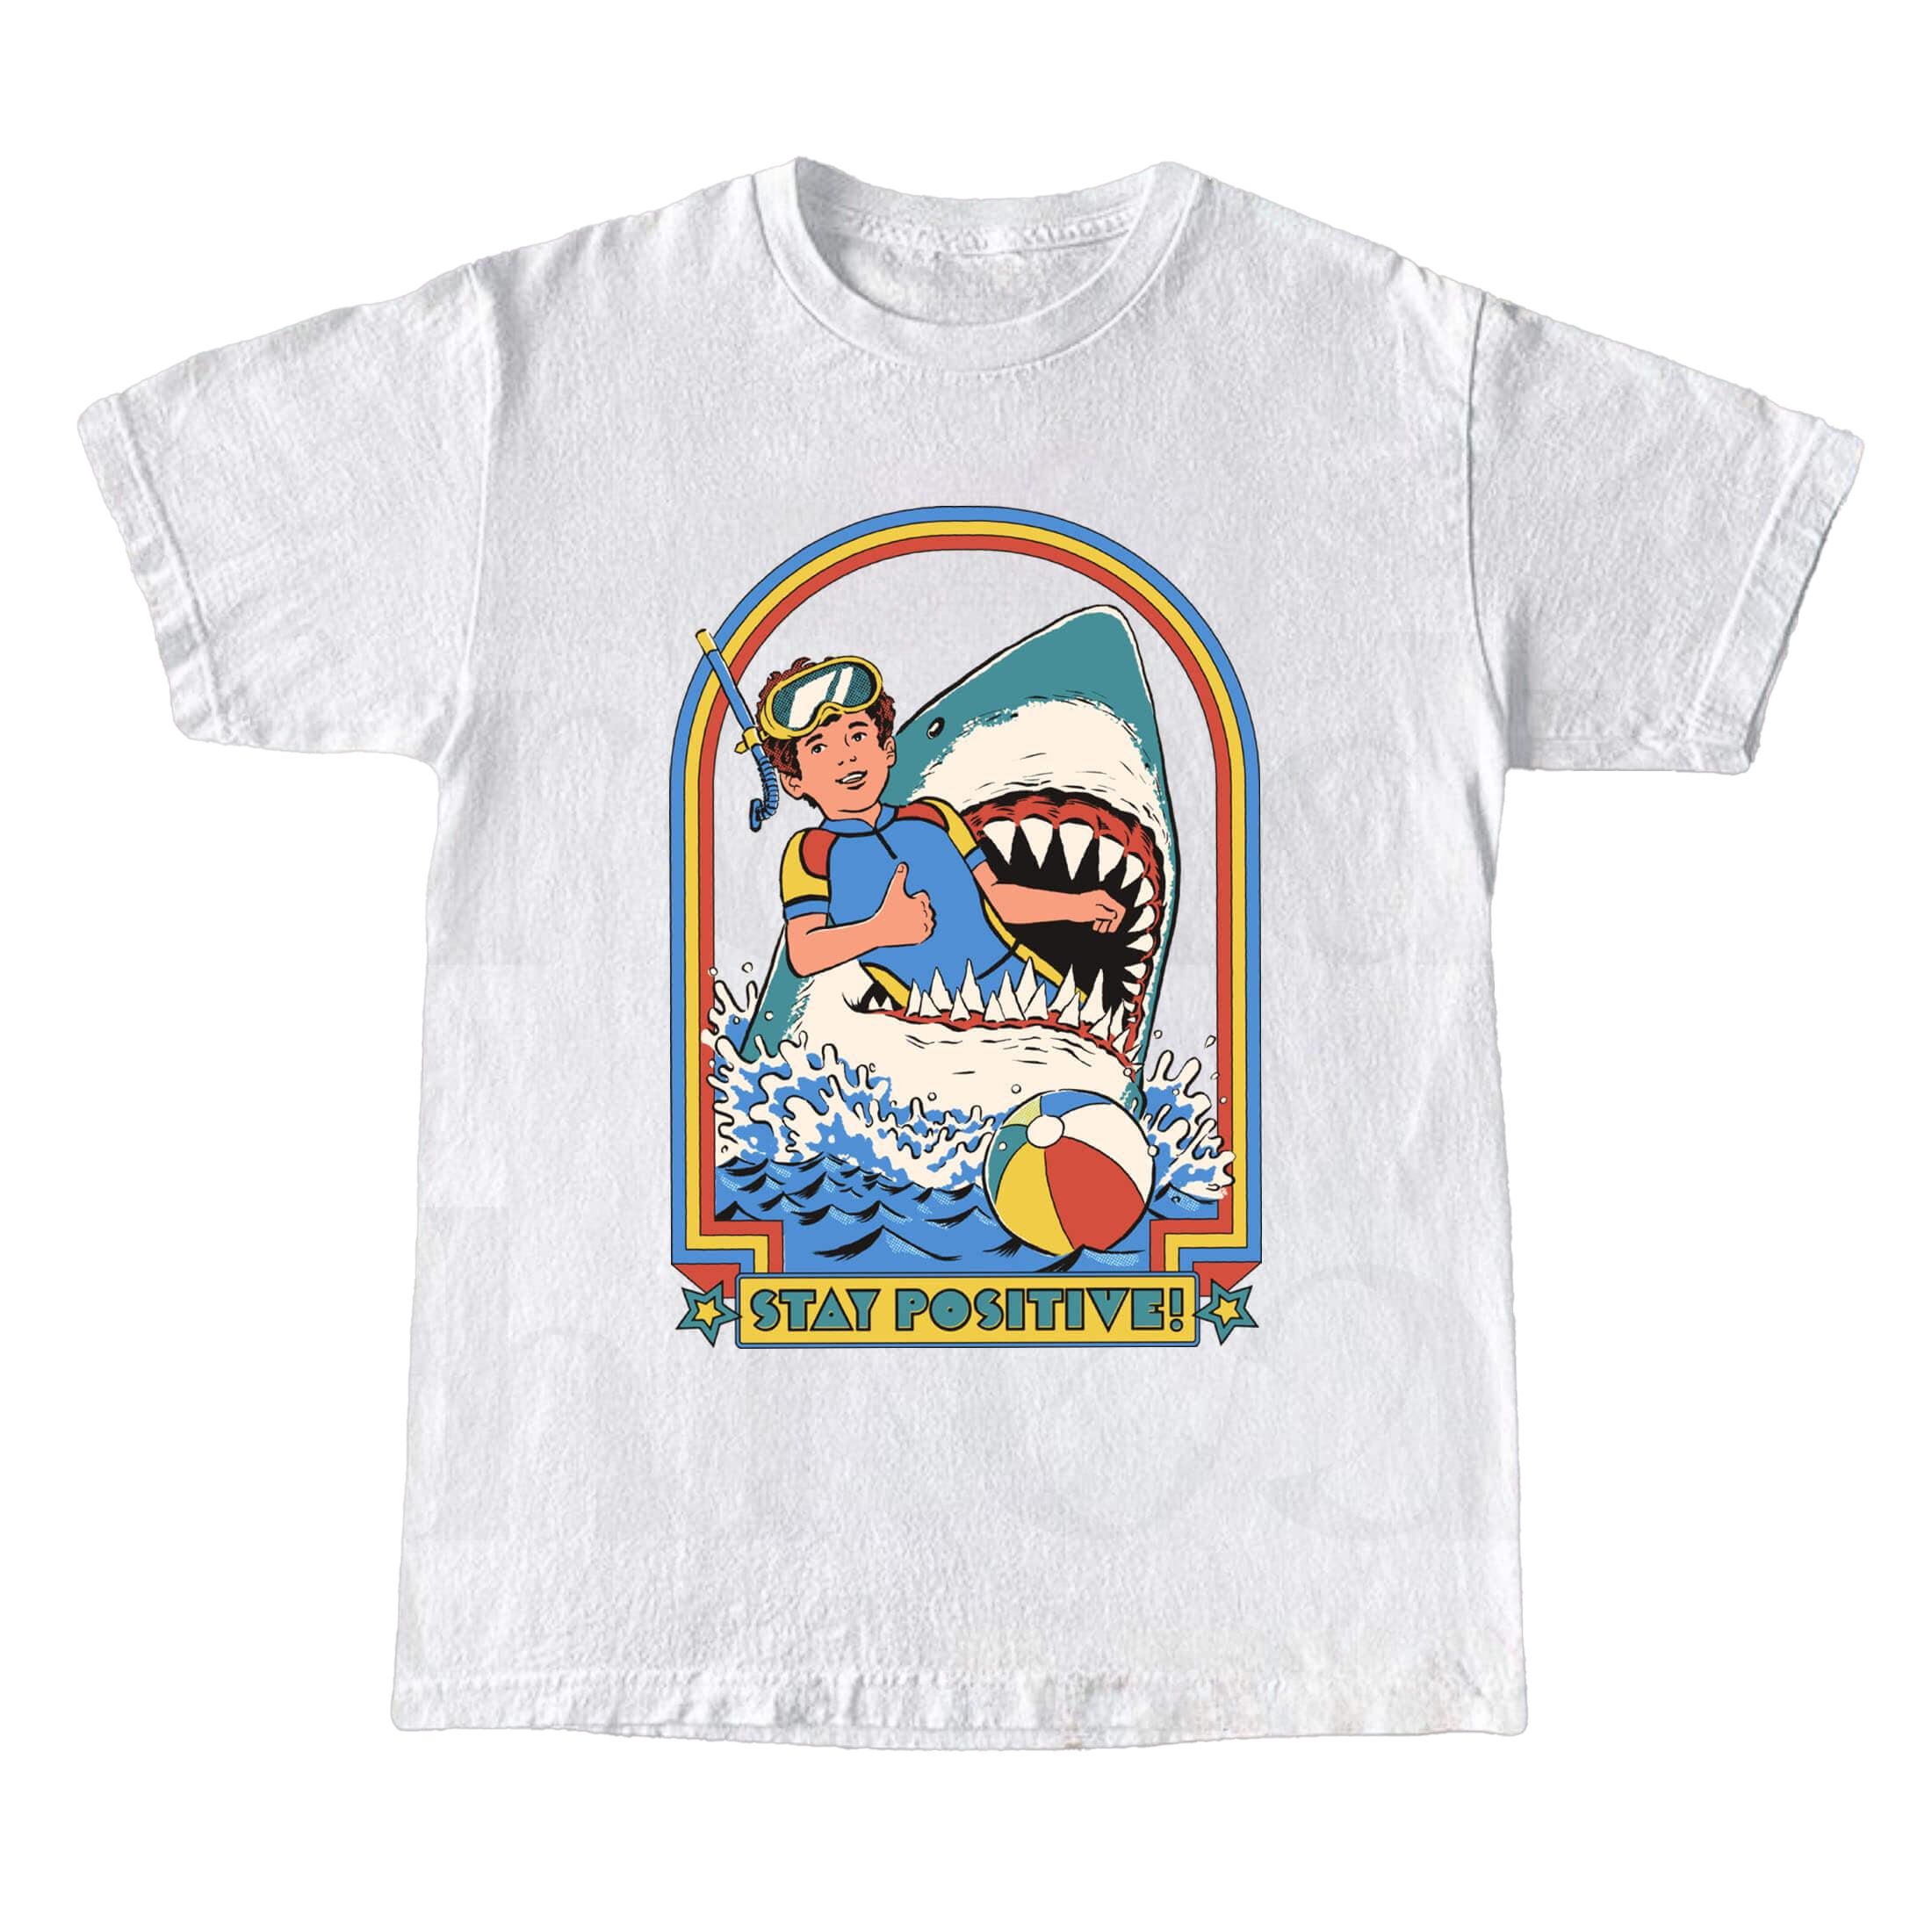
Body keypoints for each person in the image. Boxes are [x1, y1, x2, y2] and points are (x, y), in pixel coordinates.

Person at [757, 654, 1122, 1012]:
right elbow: (803, 954)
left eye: (857, 736)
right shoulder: (811, 851)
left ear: (888, 750)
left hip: (1034, 992)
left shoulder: (935, 815)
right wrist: (881, 930)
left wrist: (1078, 905)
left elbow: (1000, 898)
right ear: (793, 782)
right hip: (936, 1024)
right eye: (819, 747)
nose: (845, 757)